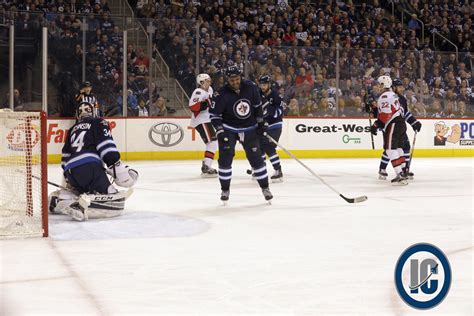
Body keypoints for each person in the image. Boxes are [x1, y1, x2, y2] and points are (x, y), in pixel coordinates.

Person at [48, 102, 138, 221]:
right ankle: (81, 205)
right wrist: (116, 166)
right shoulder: (99, 122)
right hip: (89, 168)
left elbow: (65, 157)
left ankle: (61, 198)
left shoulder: (72, 130)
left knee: (79, 190)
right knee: (113, 195)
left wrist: (69, 179)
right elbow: (106, 146)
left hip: (71, 172)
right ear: (94, 111)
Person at [209, 65, 273, 202]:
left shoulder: (250, 87)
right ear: (227, 79)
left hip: (250, 128)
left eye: (237, 79)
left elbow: (257, 107)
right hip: (229, 129)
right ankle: (225, 190)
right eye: (232, 80)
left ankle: (265, 188)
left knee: (256, 159)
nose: (235, 82)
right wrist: (220, 131)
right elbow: (215, 116)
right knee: (225, 159)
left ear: (241, 77)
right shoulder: (220, 94)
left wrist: (261, 123)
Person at [378, 79, 422, 180]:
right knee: (390, 148)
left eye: (402, 86)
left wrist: (414, 122)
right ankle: (382, 169)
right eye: (399, 86)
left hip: (399, 125)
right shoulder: (389, 96)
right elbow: (383, 112)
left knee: (404, 146)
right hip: (390, 125)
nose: (402, 88)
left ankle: (404, 169)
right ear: (393, 87)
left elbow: (404, 113)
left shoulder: (401, 98)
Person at [370, 76, 409, 185]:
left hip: (393, 124)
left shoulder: (385, 96)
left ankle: (400, 175)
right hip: (401, 123)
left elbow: (386, 114)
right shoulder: (393, 95)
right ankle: (403, 171)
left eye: (379, 84)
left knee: (390, 149)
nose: (378, 86)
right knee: (398, 149)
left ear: (383, 84)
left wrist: (376, 125)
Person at [188, 73, 218, 177]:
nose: (209, 82)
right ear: (201, 82)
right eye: (207, 80)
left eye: (209, 80)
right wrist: (206, 102)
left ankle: (206, 165)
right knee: (212, 143)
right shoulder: (198, 92)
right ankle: (206, 167)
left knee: (213, 143)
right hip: (201, 120)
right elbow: (193, 107)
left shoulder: (209, 90)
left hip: (206, 120)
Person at [257, 74, 285, 182]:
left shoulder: (276, 96)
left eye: (264, 84)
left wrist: (268, 108)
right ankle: (261, 169)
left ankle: (278, 170)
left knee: (268, 147)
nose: (262, 87)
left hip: (275, 125)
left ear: (269, 84)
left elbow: (279, 112)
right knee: (259, 147)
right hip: (263, 125)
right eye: (261, 85)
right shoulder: (258, 94)